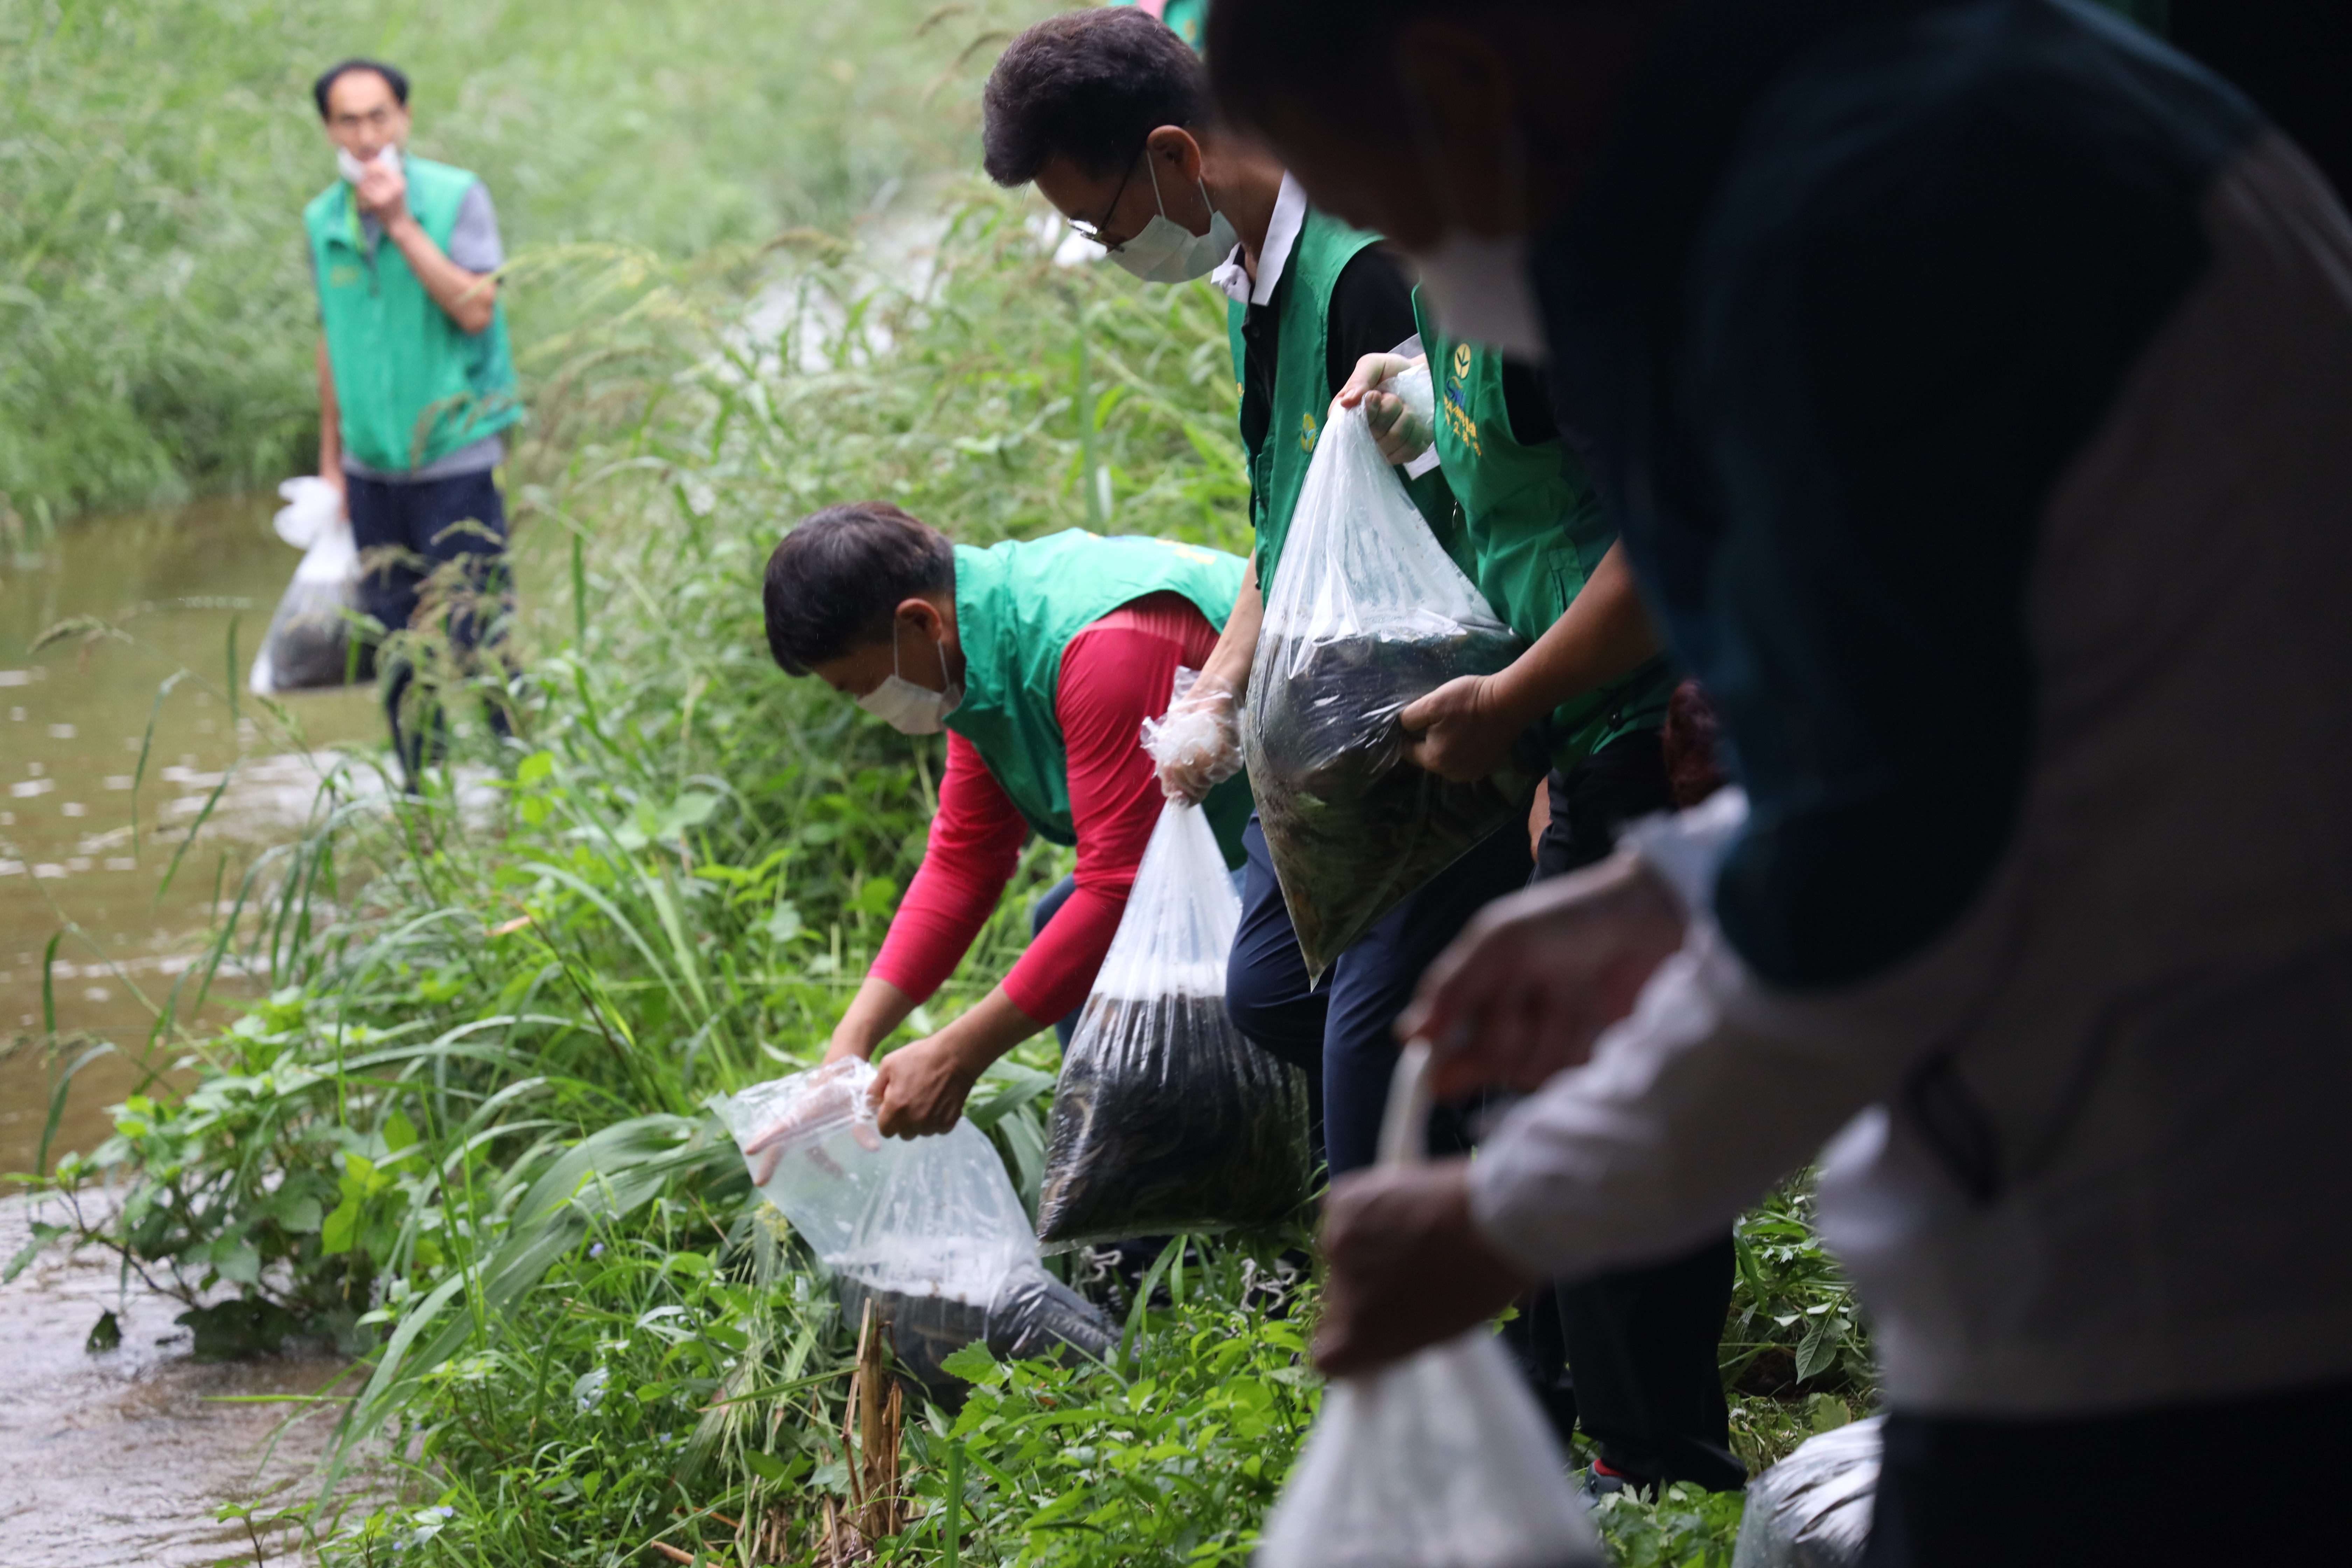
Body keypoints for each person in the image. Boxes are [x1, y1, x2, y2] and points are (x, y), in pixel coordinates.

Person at [1208, 0, 2352, 1561]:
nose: (1432, 277)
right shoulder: (1971, 91)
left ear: (1467, 80)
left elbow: (1892, 873)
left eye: (1402, 214)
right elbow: (2033, 705)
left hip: (2171, 1270)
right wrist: (1666, 895)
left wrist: (1508, 1213)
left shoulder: (1849, 236)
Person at [983, 7, 1527, 1178]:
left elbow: (1460, 531)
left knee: (1360, 1069)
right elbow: (1290, 527)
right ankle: (1488, 1147)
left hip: (1445, 729)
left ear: (1178, 155)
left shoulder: (1366, 277)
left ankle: (1498, 1254)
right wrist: (1223, 686)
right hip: (1344, 728)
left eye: (1103, 220)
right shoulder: (1258, 284)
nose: (1110, 249)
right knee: (1269, 990)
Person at [1337, 331, 1741, 1493]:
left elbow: (1666, 548)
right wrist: (1414, 362)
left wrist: (1511, 705)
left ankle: (1658, 1463)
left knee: (1605, 1096)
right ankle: (1563, 1424)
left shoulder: (1557, 306)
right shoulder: (1450, 288)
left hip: (1656, 727)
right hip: (1583, 733)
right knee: (1534, 1089)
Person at [763, 504, 1254, 1139]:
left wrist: (955, 1055)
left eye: (861, 685)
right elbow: (965, 862)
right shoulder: (977, 649)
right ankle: (1145, 1195)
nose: (866, 706)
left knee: (1172, 965)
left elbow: (1118, 891)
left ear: (919, 622)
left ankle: (1234, 1172)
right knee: (1058, 921)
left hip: (1323, 817)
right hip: (1234, 831)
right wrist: (847, 1050)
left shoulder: (1103, 648)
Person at [307, 58, 520, 790]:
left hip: (455, 458)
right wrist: (333, 467)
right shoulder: (323, 219)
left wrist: (399, 223)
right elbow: (331, 343)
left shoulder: (455, 198)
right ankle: (422, 802)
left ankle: (526, 787)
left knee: (477, 633)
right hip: (372, 471)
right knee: (397, 649)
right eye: (348, 120)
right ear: (329, 129)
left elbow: (475, 307)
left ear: (402, 118)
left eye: (378, 117)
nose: (366, 136)